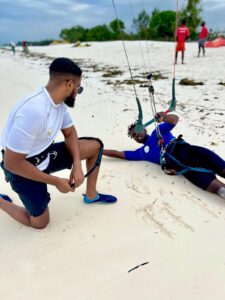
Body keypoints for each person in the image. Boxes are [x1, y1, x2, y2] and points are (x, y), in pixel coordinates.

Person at [0, 57, 117, 229]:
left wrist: (77, 164)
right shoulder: (34, 111)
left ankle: (91, 195)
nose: (77, 93)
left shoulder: (58, 104)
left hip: (45, 154)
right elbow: (12, 162)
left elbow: (70, 133)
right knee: (40, 223)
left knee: (95, 146)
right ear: (69, 84)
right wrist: (55, 181)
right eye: (79, 88)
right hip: (22, 168)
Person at [103, 112, 225, 200]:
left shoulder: (158, 131)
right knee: (219, 190)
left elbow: (174, 120)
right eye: (133, 135)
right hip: (184, 168)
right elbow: (119, 154)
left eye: (138, 130)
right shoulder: (141, 153)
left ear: (144, 129)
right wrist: (100, 150)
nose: (137, 135)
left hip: (192, 152)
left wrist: (164, 117)